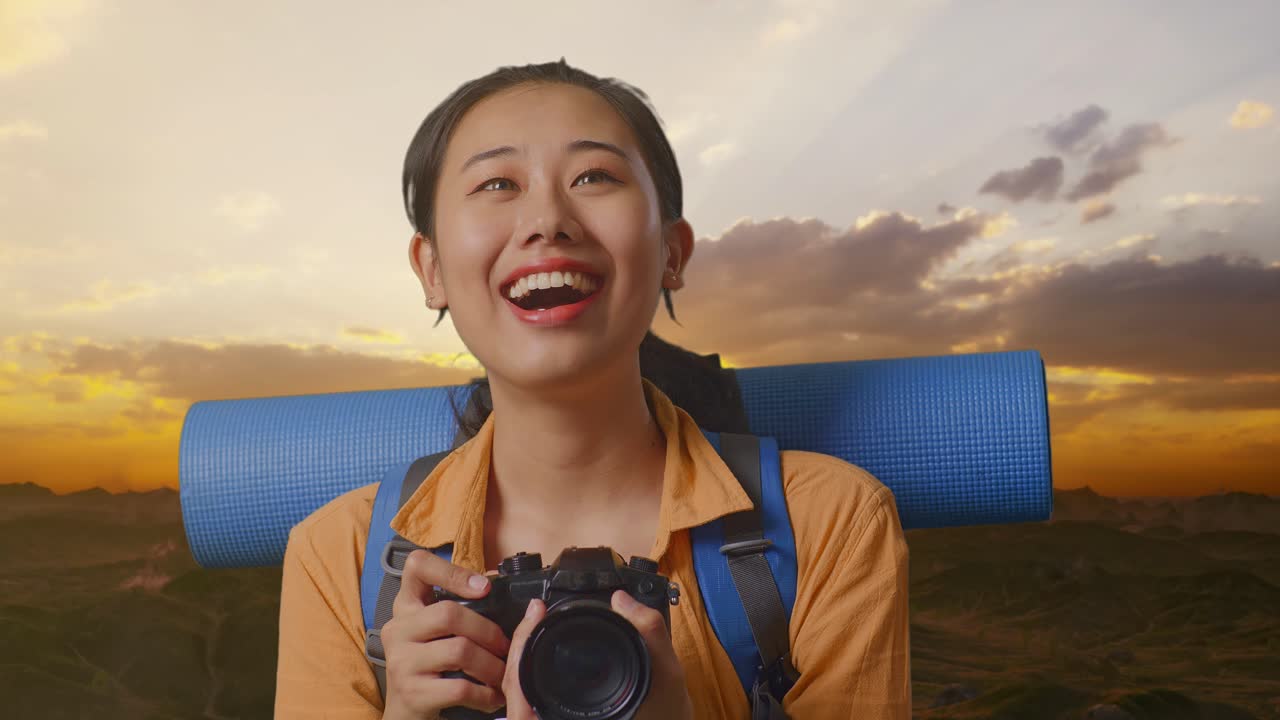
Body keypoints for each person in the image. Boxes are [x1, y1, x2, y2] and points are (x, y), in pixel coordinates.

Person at [274, 59, 911, 720]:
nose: (548, 219)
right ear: (430, 269)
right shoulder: (339, 559)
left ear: (671, 252)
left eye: (594, 177)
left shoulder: (831, 524)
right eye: (496, 183)